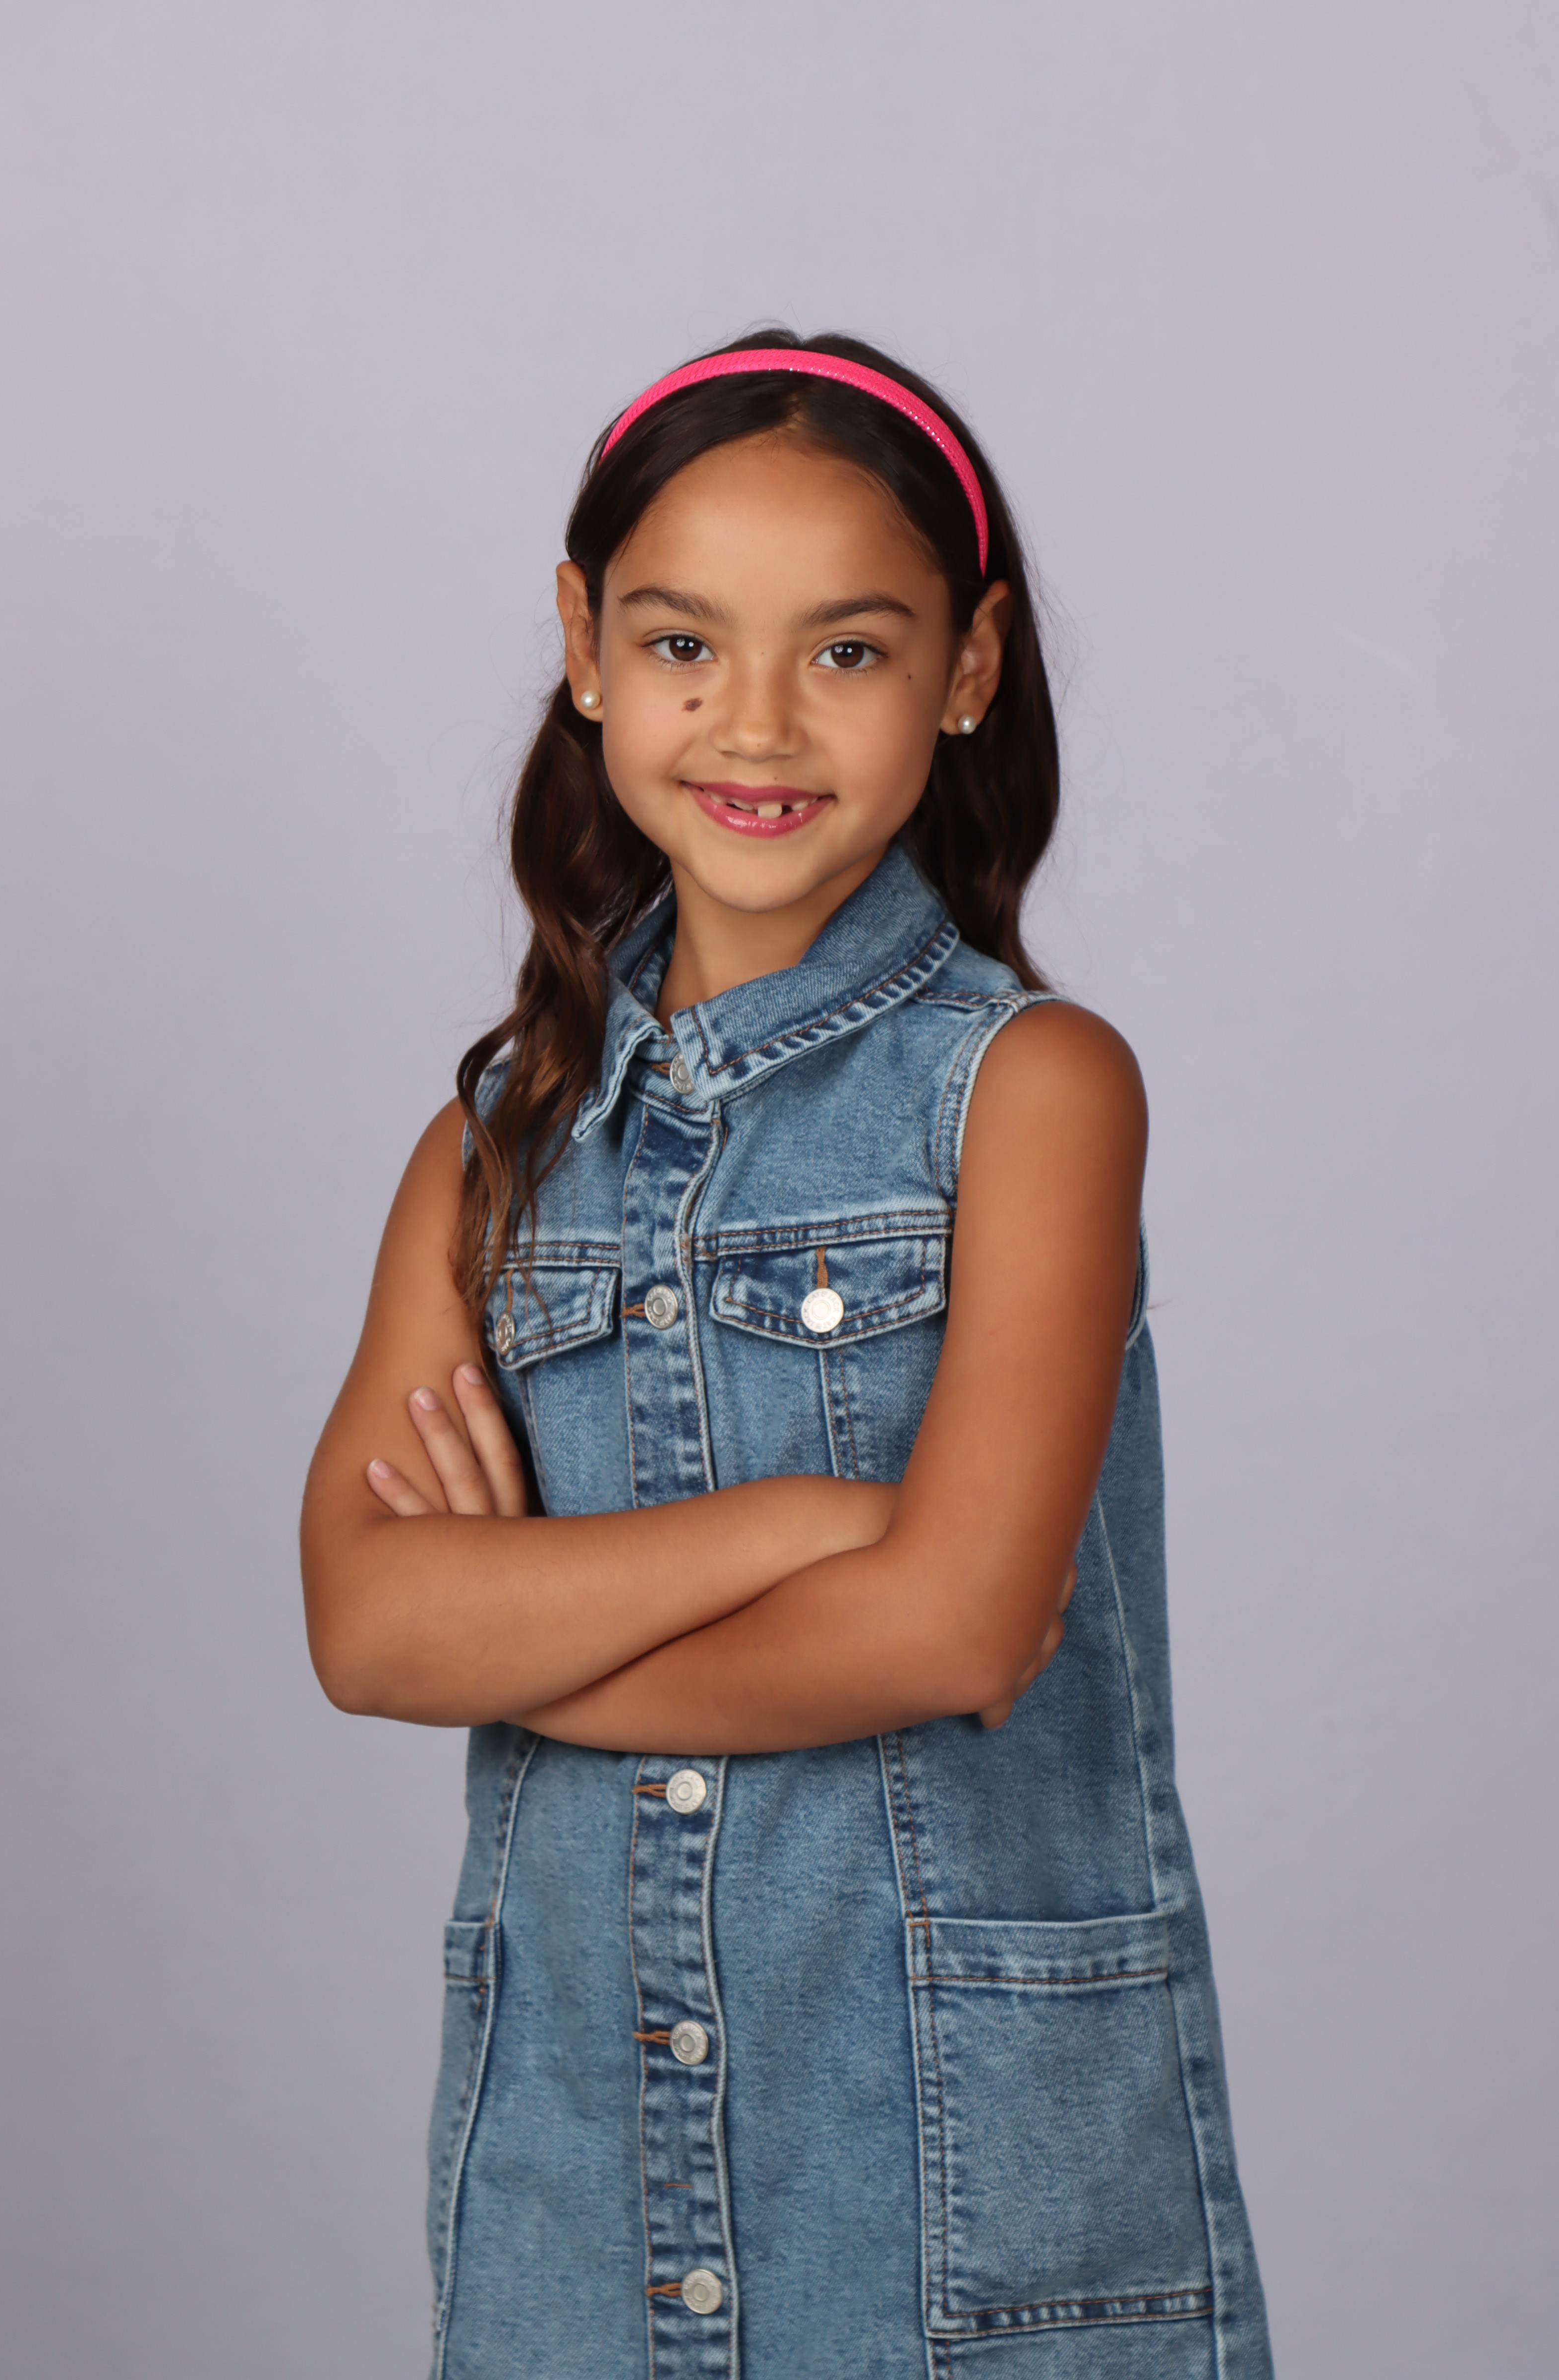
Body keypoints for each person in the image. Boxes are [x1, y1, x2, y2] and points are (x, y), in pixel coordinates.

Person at [300, 331, 1273, 2380]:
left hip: (954, 2184)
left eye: (844, 650)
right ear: (584, 647)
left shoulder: (1030, 1093)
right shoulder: (488, 1156)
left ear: (967, 667)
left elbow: (953, 1629)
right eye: (682, 643)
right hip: (577, 2185)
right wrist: (811, 1524)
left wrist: (521, 1636)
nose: (756, 721)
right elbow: (369, 1631)